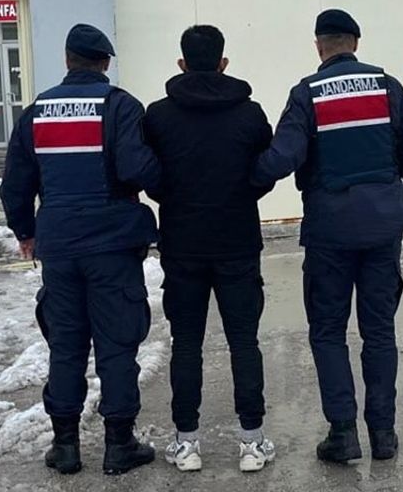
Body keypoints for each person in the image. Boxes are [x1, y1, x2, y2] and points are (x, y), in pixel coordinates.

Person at [252, 9, 403, 464]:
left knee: (328, 331)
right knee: (379, 331)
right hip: (382, 231)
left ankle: (343, 434)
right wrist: (389, 176)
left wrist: (235, 180)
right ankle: (384, 434)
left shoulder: (307, 93)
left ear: (319, 46)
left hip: (329, 233)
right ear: (356, 42)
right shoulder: (386, 86)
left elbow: (282, 159)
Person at [0, 23, 160, 477]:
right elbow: (137, 167)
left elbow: (15, 183)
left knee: (66, 345)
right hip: (112, 244)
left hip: (59, 247)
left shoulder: (36, 113)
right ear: (104, 63)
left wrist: (25, 231)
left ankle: (65, 446)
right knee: (117, 342)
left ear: (67, 59)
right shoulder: (120, 106)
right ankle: (119, 444)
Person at [143, 25, 277, 473]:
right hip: (238, 242)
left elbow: (149, 171)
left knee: (186, 344)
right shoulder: (250, 114)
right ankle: (252, 442)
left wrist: (168, 197)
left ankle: (186, 444)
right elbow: (265, 168)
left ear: (181, 64)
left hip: (182, 243)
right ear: (224, 63)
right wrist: (244, 193)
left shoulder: (158, 116)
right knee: (244, 342)